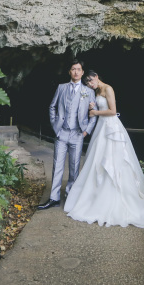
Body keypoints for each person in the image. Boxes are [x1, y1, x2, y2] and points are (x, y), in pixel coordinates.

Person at [63, 70, 144, 228]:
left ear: (97, 76)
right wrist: (92, 105)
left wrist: (95, 112)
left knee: (115, 161)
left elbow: (112, 111)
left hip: (111, 128)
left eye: (91, 81)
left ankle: (120, 197)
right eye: (88, 83)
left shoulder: (108, 89)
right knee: (97, 161)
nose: (91, 84)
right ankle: (95, 196)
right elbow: (98, 106)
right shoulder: (97, 91)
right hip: (102, 128)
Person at [37, 59, 97, 210]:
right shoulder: (61, 87)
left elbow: (93, 114)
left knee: (74, 167)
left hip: (78, 134)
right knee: (57, 165)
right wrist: (55, 127)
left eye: (78, 69)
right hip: (62, 133)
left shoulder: (88, 92)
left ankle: (71, 196)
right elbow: (52, 107)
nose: (76, 72)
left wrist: (86, 131)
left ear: (82, 72)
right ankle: (54, 198)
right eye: (73, 69)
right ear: (69, 72)